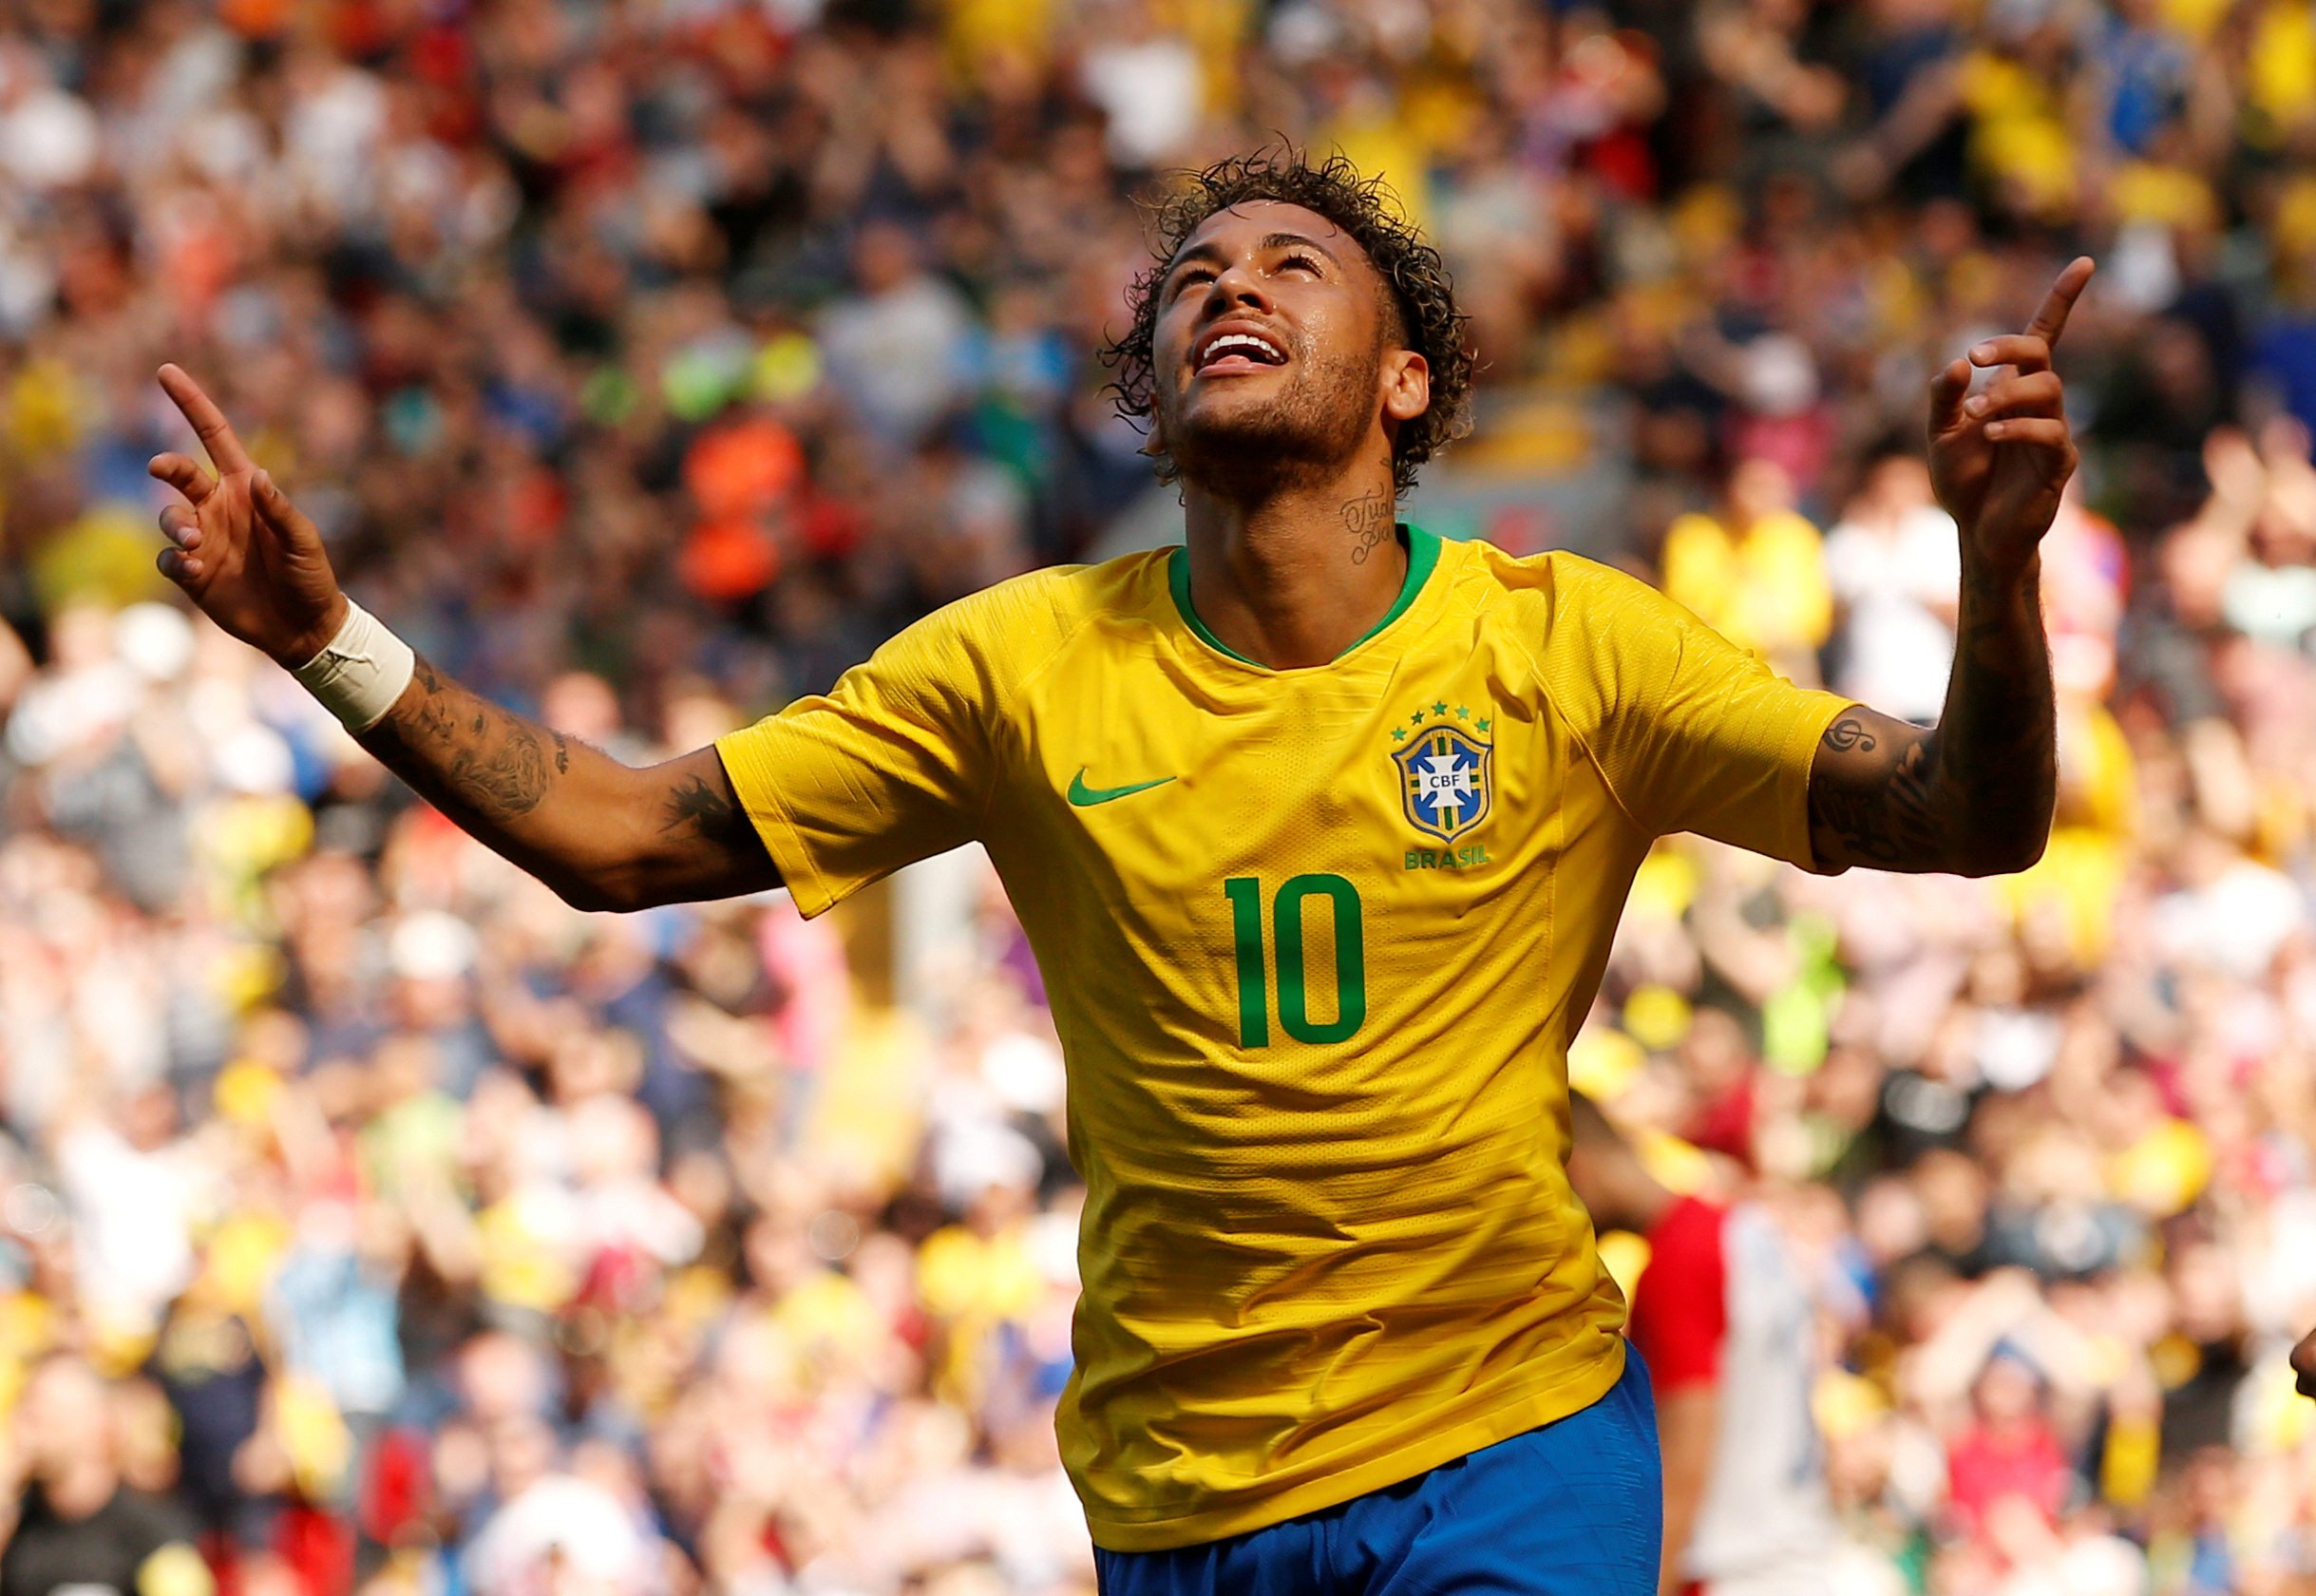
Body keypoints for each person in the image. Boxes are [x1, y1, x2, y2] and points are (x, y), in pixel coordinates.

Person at [146, 149, 2090, 1595]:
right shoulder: (1013, 669)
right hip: (1184, 1490)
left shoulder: (1571, 651)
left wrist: (1993, 572)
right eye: (1192, 279)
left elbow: (1963, 816)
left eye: (1290, 266)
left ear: (1407, 382)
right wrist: (333, 642)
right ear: (1153, 387)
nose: (1226, 286)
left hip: (1513, 1437)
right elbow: (622, 836)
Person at [1566, 1093, 1848, 1596]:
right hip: (1798, 1552)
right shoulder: (1745, 1230)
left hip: (1731, 1569)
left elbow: (1685, 1466)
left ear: (1576, 1168)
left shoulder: (1680, 1262)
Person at [0, 1356, 214, 1596]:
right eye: (27, 1408)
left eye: (49, 1412)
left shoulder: (155, 1535)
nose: (30, 1426)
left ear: (102, 1428)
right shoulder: (15, 1523)